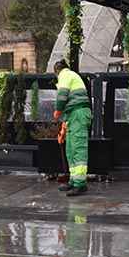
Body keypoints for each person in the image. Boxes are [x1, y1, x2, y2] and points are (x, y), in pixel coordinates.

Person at [52, 58, 92, 196]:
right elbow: (69, 105)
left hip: (78, 114)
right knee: (71, 149)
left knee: (78, 149)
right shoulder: (71, 76)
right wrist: (63, 128)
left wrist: (57, 111)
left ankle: (80, 184)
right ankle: (74, 181)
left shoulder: (65, 75)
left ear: (57, 71)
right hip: (73, 115)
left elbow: (62, 95)